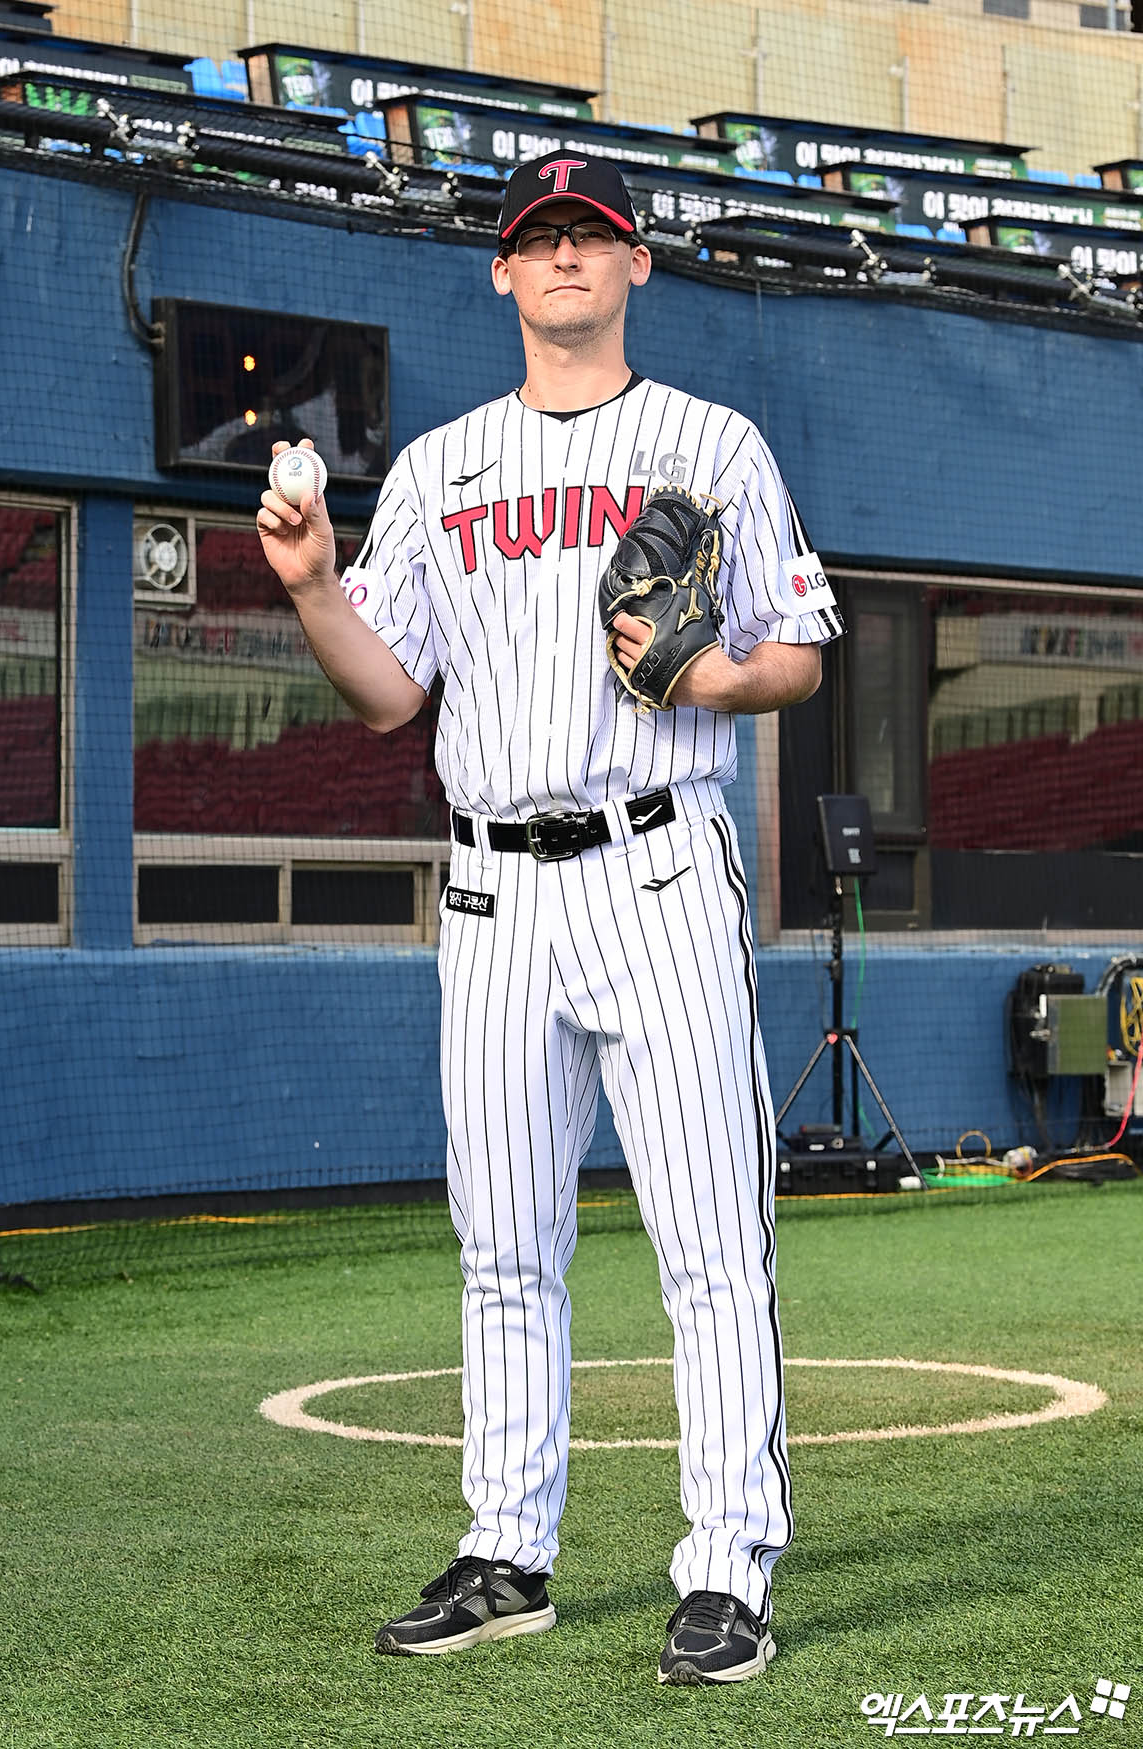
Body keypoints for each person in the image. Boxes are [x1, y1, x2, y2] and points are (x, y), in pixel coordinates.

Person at [256, 151, 844, 1686]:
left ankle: (729, 1564)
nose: (568, 254)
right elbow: (389, 692)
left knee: (711, 1240)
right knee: (503, 1244)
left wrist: (713, 673)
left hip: (657, 868)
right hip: (493, 890)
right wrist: (314, 586)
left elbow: (798, 648)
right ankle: (506, 1550)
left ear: (637, 264)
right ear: (504, 272)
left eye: (593, 233)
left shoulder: (712, 442)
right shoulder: (440, 469)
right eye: (541, 236)